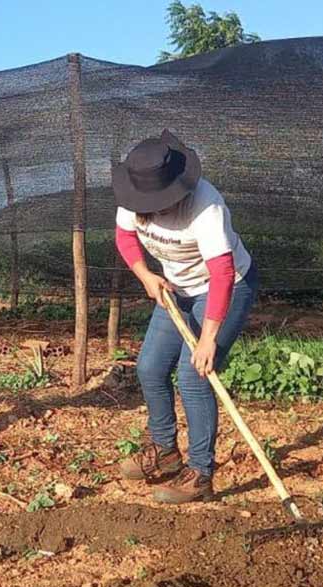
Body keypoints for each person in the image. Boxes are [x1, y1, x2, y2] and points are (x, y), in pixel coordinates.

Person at [112, 130, 258, 504]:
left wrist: (209, 338)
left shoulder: (206, 207)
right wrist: (146, 275)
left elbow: (223, 274)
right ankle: (165, 452)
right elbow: (125, 238)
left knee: (193, 376)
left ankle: (201, 474)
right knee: (149, 368)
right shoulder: (133, 197)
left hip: (224, 287)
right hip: (176, 288)